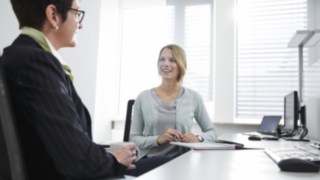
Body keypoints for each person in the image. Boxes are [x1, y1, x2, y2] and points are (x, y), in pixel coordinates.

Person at [0, 0, 165, 179]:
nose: (81, 23)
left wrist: (107, 152)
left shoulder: (18, 55)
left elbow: (59, 141)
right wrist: (115, 160)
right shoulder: (36, 63)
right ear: (53, 15)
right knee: (167, 165)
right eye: (76, 13)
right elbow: (76, 160)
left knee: (163, 161)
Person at [130, 44, 217, 159]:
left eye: (172, 60)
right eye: (162, 59)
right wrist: (158, 139)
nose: (166, 64)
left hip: (181, 161)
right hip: (149, 160)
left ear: (181, 66)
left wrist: (198, 138)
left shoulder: (194, 97)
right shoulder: (143, 98)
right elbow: (134, 138)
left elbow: (212, 132)